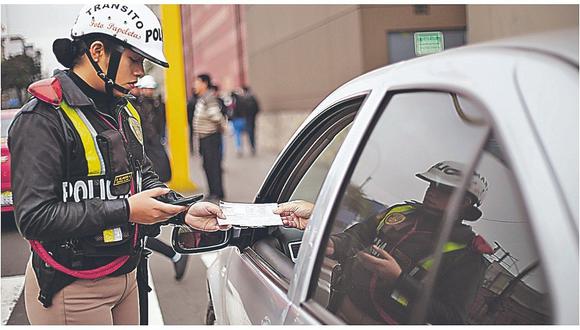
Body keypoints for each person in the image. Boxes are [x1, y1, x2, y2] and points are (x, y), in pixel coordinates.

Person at [8, 4, 229, 325]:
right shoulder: (42, 118)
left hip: (128, 274)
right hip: (72, 286)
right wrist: (126, 210)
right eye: (134, 60)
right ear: (97, 52)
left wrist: (183, 211)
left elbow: (145, 178)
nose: (141, 71)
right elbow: (34, 218)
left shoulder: (124, 109)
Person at [275, 161, 492, 324]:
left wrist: (399, 280)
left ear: (464, 202)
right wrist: (332, 244)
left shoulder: (468, 256)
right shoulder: (401, 212)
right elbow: (357, 236)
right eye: (432, 184)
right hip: (335, 311)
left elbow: (452, 318)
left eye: (443, 189)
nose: (432, 192)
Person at [132, 75, 189, 280]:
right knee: (138, 228)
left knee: (137, 228)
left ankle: (174, 254)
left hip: (144, 170)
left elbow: (147, 142)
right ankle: (174, 255)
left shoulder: (136, 109)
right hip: (147, 167)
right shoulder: (136, 107)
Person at [193, 73, 227, 201]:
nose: (194, 85)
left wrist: (222, 128)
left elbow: (216, 116)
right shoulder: (203, 97)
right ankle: (214, 191)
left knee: (213, 165)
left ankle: (216, 192)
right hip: (205, 138)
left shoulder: (209, 98)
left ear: (204, 84)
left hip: (210, 137)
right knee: (208, 165)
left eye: (197, 83)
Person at [241, 86, 260, 156]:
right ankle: (253, 146)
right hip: (252, 118)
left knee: (250, 133)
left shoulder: (244, 99)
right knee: (252, 133)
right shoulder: (253, 98)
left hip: (247, 119)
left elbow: (242, 109)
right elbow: (258, 108)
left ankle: (252, 146)